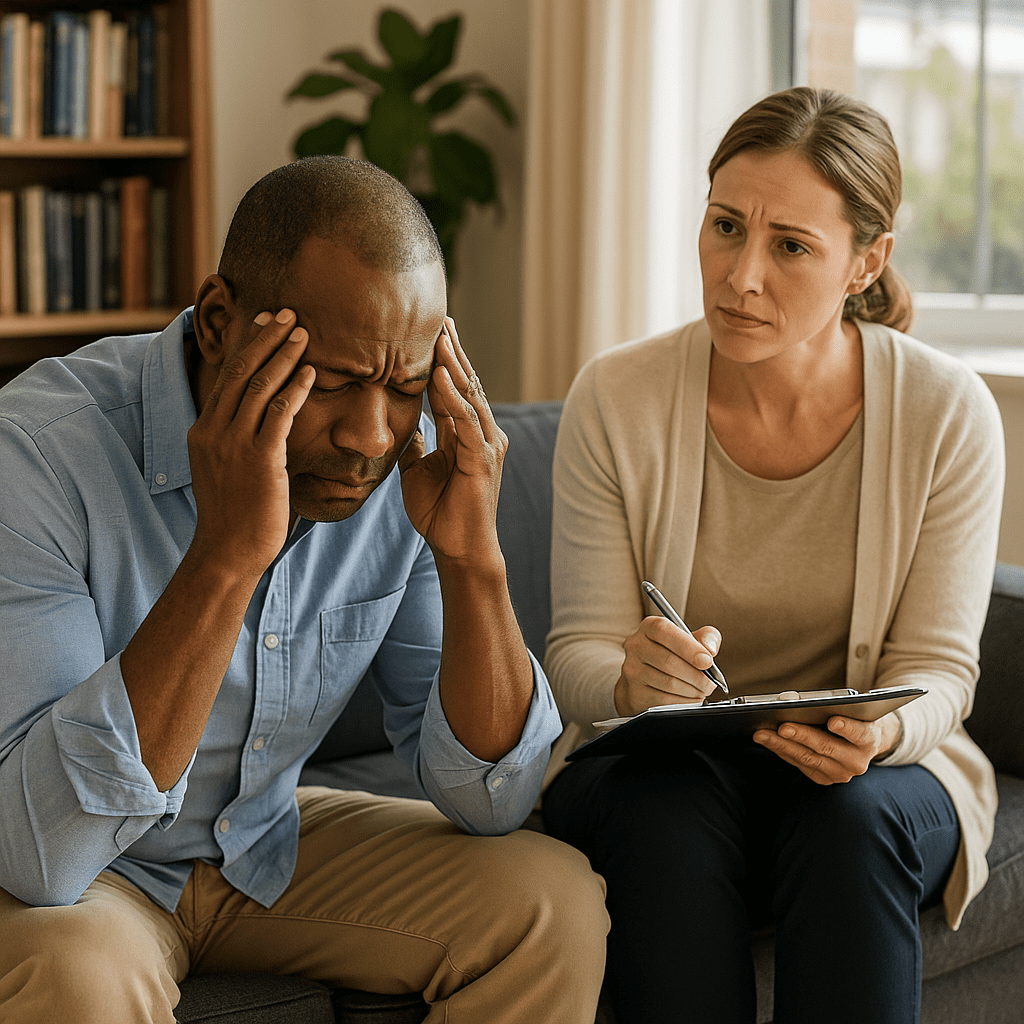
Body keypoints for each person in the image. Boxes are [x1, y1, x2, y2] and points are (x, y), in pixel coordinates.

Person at [0, 156, 608, 1023]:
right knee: (79, 971)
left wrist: (475, 562)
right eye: (329, 382)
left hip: (261, 845)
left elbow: (494, 800)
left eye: (403, 388)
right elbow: (42, 854)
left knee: (552, 902)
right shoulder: (35, 453)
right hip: (77, 870)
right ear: (219, 322)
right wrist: (226, 555)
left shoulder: (409, 461)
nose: (369, 436)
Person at [541, 87, 1005, 1024]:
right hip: (667, 771)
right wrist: (633, 682)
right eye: (723, 228)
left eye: (790, 245)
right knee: (657, 810)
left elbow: (941, 672)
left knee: (851, 820)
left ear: (864, 263)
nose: (740, 276)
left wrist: (879, 736)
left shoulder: (947, 414)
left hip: (874, 770)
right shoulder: (615, 397)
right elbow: (577, 652)